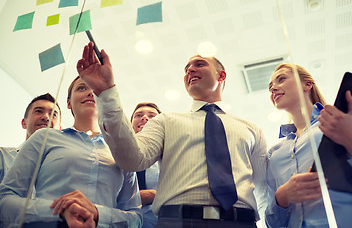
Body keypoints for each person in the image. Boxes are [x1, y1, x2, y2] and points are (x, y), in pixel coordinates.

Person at [75, 42, 268, 228]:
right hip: (177, 221)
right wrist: (106, 92)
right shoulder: (165, 121)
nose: (190, 70)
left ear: (221, 75)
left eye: (199, 64)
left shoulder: (251, 129)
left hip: (241, 221)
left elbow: (263, 187)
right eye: (186, 68)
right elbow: (133, 160)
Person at [0, 76, 142, 228]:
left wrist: (97, 213)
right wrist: (60, 212)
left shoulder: (121, 150)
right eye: (82, 88)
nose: (90, 93)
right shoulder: (44, 137)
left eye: (96, 90)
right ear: (68, 103)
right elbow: (5, 200)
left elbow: (136, 218)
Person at [266, 63, 352, 227]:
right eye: (270, 87)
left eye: (281, 79)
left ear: (307, 84)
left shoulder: (339, 123)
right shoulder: (274, 153)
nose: (273, 88)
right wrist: (281, 196)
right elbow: (271, 222)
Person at [0, 93, 61, 183]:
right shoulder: (2, 157)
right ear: (24, 123)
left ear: (60, 129)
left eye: (53, 114)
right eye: (39, 111)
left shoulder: (63, 171)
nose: (46, 117)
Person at [130, 102, 161, 228]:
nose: (144, 118)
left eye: (152, 116)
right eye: (138, 115)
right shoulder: (114, 154)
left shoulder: (169, 157)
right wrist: (141, 196)